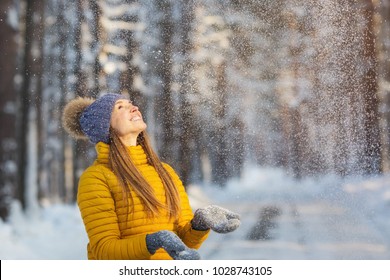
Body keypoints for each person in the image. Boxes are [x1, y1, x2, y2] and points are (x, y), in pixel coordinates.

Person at [62, 93, 240, 260]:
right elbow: (104, 250)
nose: (133, 107)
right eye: (120, 107)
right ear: (105, 126)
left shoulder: (165, 172)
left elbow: (183, 244)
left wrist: (200, 223)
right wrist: (153, 241)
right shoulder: (96, 178)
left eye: (131, 104)